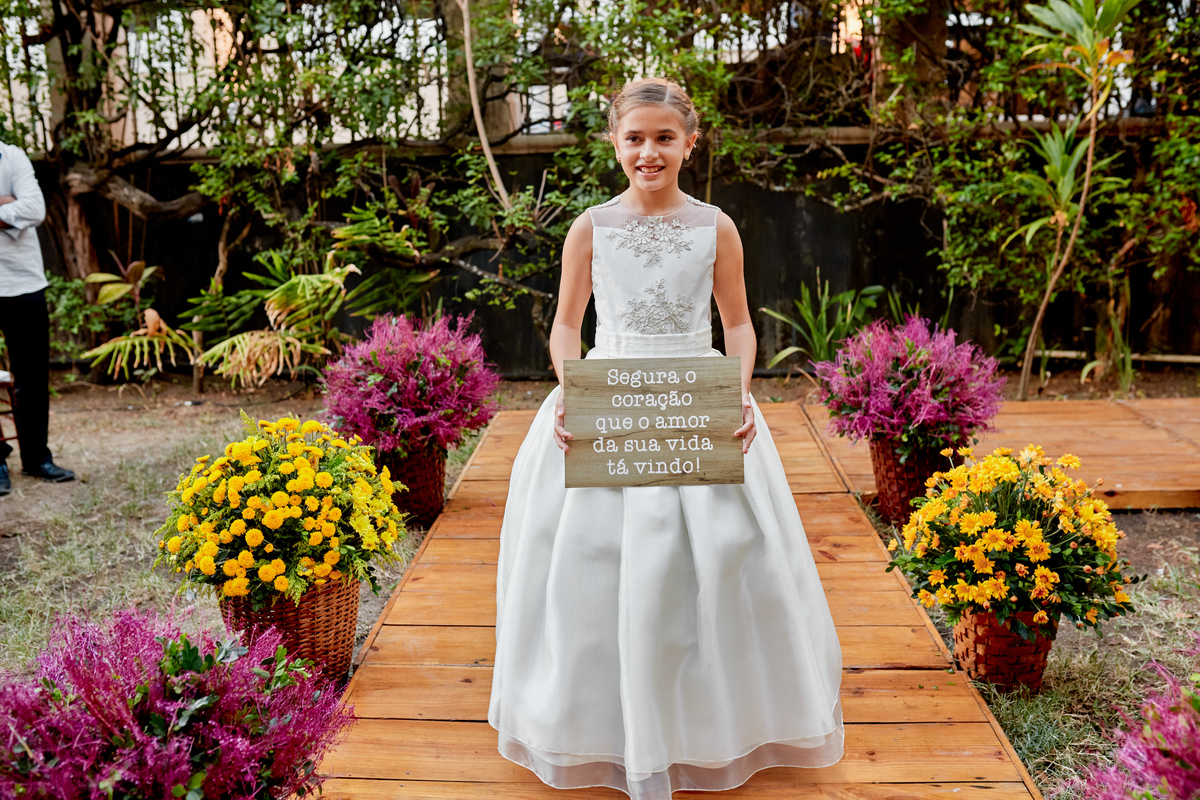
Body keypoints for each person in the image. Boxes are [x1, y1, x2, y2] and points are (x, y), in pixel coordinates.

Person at [487, 78, 844, 799]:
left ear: (690, 142)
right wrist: (571, 387)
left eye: (663, 138)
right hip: (610, 399)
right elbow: (566, 324)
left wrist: (740, 391)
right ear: (614, 143)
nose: (648, 152)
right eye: (634, 138)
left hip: (697, 398)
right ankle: (598, 724)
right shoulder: (590, 227)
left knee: (720, 558)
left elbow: (738, 324)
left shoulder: (717, 227)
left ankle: (710, 722)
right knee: (590, 564)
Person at [0, 141, 76, 496]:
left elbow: (35, 208)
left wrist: (14, 209)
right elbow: (21, 210)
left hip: (24, 283)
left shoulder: (11, 157)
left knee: (31, 376)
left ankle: (36, 458)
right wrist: (6, 207)